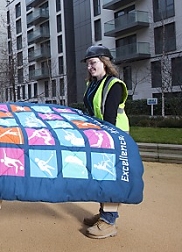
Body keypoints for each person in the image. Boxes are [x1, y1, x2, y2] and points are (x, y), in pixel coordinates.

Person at [81, 45, 129, 239]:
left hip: (115, 136)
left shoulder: (114, 85)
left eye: (93, 63)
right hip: (101, 135)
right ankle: (104, 213)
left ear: (105, 63)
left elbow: (109, 118)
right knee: (101, 174)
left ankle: (109, 220)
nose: (89, 67)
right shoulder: (93, 85)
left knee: (110, 176)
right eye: (88, 64)